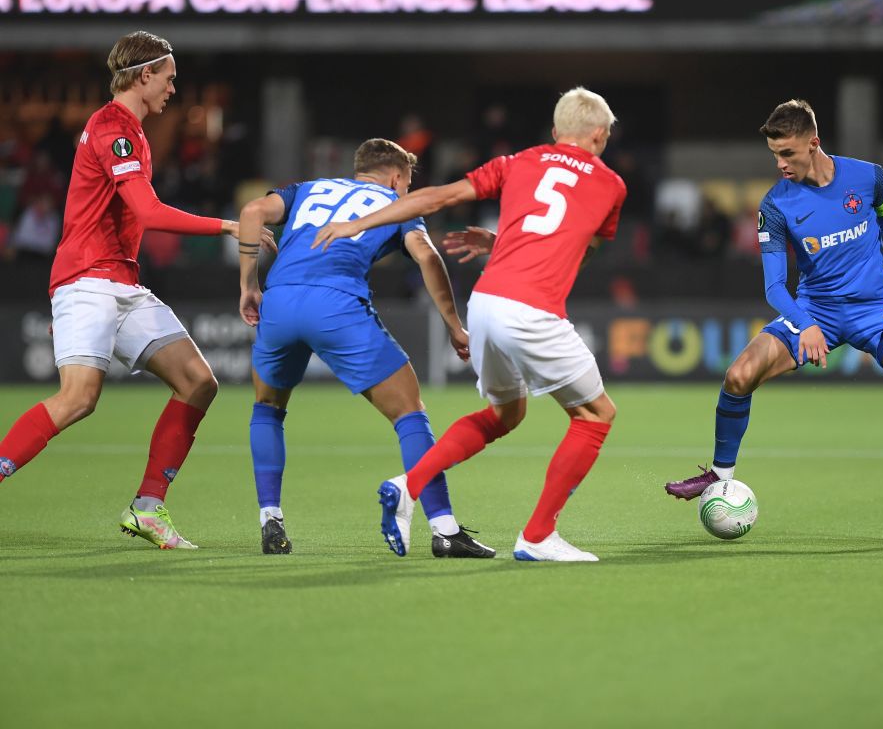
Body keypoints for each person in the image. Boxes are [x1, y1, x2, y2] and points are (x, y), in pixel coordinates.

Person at [312, 87, 626, 563]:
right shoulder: (611, 185)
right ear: (600, 135)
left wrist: (360, 223)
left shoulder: (518, 161)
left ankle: (408, 485)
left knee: (506, 414)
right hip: (532, 309)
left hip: (486, 300)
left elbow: (438, 197)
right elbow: (580, 246)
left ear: (557, 132)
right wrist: (509, 243)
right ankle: (538, 536)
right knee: (595, 414)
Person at [0, 30, 271, 549]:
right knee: (79, 398)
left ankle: (148, 507)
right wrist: (227, 227)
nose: (174, 88)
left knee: (198, 381)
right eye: (169, 78)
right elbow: (148, 212)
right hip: (87, 279)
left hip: (121, 281)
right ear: (144, 74)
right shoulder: (112, 127)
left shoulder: (132, 131)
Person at [663, 99, 883, 545]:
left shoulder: (870, 177)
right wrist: (806, 324)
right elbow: (775, 288)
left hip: (877, 307)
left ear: (814, 143)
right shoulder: (776, 206)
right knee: (738, 375)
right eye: (774, 155)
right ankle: (719, 473)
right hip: (814, 310)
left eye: (788, 154)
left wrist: (863, 269)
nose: (780, 164)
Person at [237, 138, 493, 558]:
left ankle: (271, 520)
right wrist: (453, 325)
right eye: (407, 185)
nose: (406, 193)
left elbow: (251, 212)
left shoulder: (309, 189)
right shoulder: (394, 202)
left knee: (268, 408)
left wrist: (249, 286)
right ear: (396, 177)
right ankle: (444, 530)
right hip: (335, 304)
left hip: (280, 301)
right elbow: (427, 258)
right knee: (410, 412)